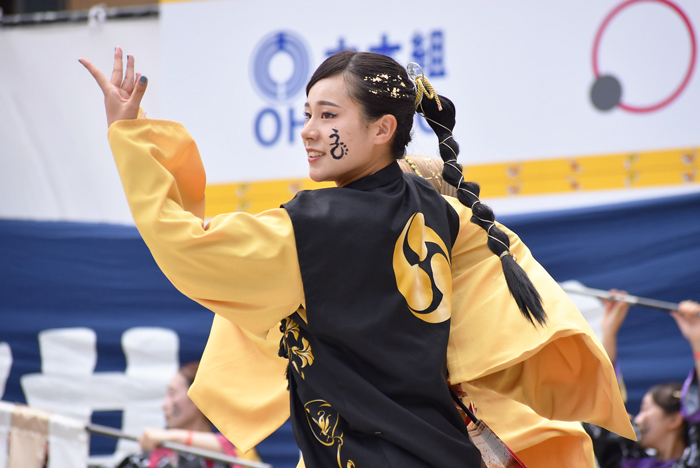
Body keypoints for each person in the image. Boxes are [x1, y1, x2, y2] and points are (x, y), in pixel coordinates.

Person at [80, 48, 634, 468]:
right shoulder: (438, 210)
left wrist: (130, 138)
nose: (309, 132)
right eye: (306, 115)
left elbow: (186, 245)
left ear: (382, 128)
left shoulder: (320, 226)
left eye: (328, 116)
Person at [594, 294, 700, 468]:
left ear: (674, 420)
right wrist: (609, 330)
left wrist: (697, 341)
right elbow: (603, 410)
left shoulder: (693, 462)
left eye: (646, 410)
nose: (638, 420)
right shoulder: (627, 460)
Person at [118, 362, 261, 468]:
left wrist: (172, 436)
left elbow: (232, 448)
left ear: (197, 397)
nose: (165, 405)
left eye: (172, 394)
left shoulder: (234, 450)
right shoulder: (155, 454)